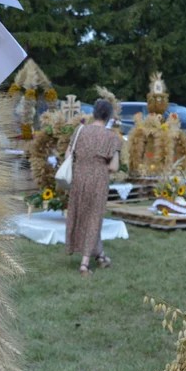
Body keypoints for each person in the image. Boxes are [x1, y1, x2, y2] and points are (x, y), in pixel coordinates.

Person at [65, 98, 121, 276]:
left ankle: (101, 257)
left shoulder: (80, 131)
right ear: (109, 116)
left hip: (79, 176)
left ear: (94, 113)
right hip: (98, 179)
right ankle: (85, 263)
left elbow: (68, 154)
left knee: (80, 213)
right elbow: (114, 167)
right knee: (94, 217)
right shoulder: (112, 137)